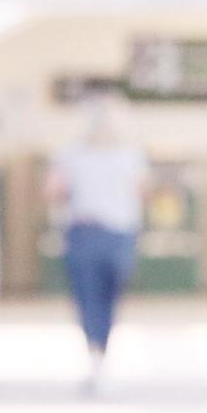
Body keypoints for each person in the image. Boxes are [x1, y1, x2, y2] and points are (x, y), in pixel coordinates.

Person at [44, 90, 150, 395]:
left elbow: (53, 191)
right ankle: (101, 354)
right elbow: (143, 192)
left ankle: (94, 355)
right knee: (109, 299)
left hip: (84, 232)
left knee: (87, 298)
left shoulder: (70, 153)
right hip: (120, 235)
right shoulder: (131, 155)